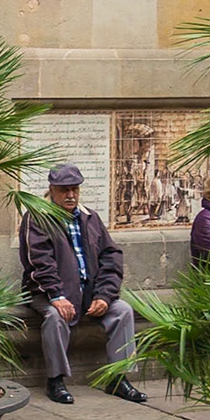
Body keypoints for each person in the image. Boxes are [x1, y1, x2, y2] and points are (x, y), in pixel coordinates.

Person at [20, 163, 148, 406]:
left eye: (75, 189)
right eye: (64, 190)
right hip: (48, 293)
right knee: (55, 318)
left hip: (89, 293)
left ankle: (118, 377)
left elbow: (111, 257)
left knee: (123, 311)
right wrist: (57, 295)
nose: (71, 195)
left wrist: (104, 295)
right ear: (52, 189)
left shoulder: (90, 217)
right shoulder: (38, 218)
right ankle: (56, 380)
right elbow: (38, 261)